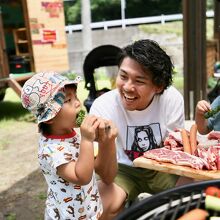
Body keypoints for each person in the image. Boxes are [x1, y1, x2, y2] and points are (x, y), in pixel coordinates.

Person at [89, 39, 185, 204]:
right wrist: (107, 142)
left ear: (159, 86)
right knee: (101, 205)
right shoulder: (102, 107)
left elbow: (177, 151)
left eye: (139, 81)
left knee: (192, 195)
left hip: (161, 167)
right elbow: (105, 174)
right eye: (123, 76)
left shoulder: (171, 99)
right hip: (123, 170)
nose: (127, 87)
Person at [21, 71, 124, 220]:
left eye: (75, 96)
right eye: (69, 100)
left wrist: (102, 135)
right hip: (69, 215)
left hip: (86, 206)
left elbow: (90, 159)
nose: (78, 103)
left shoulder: (68, 130)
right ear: (50, 117)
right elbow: (81, 176)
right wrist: (87, 140)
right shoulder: (51, 150)